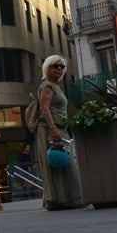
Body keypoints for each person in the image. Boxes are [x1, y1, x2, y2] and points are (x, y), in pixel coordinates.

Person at [35, 55, 84, 210]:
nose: (59, 69)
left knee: (64, 164)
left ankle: (67, 198)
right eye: (55, 66)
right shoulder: (47, 86)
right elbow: (45, 109)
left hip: (60, 129)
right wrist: (54, 130)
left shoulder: (56, 87)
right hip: (52, 129)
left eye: (62, 67)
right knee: (60, 163)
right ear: (47, 68)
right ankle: (60, 200)